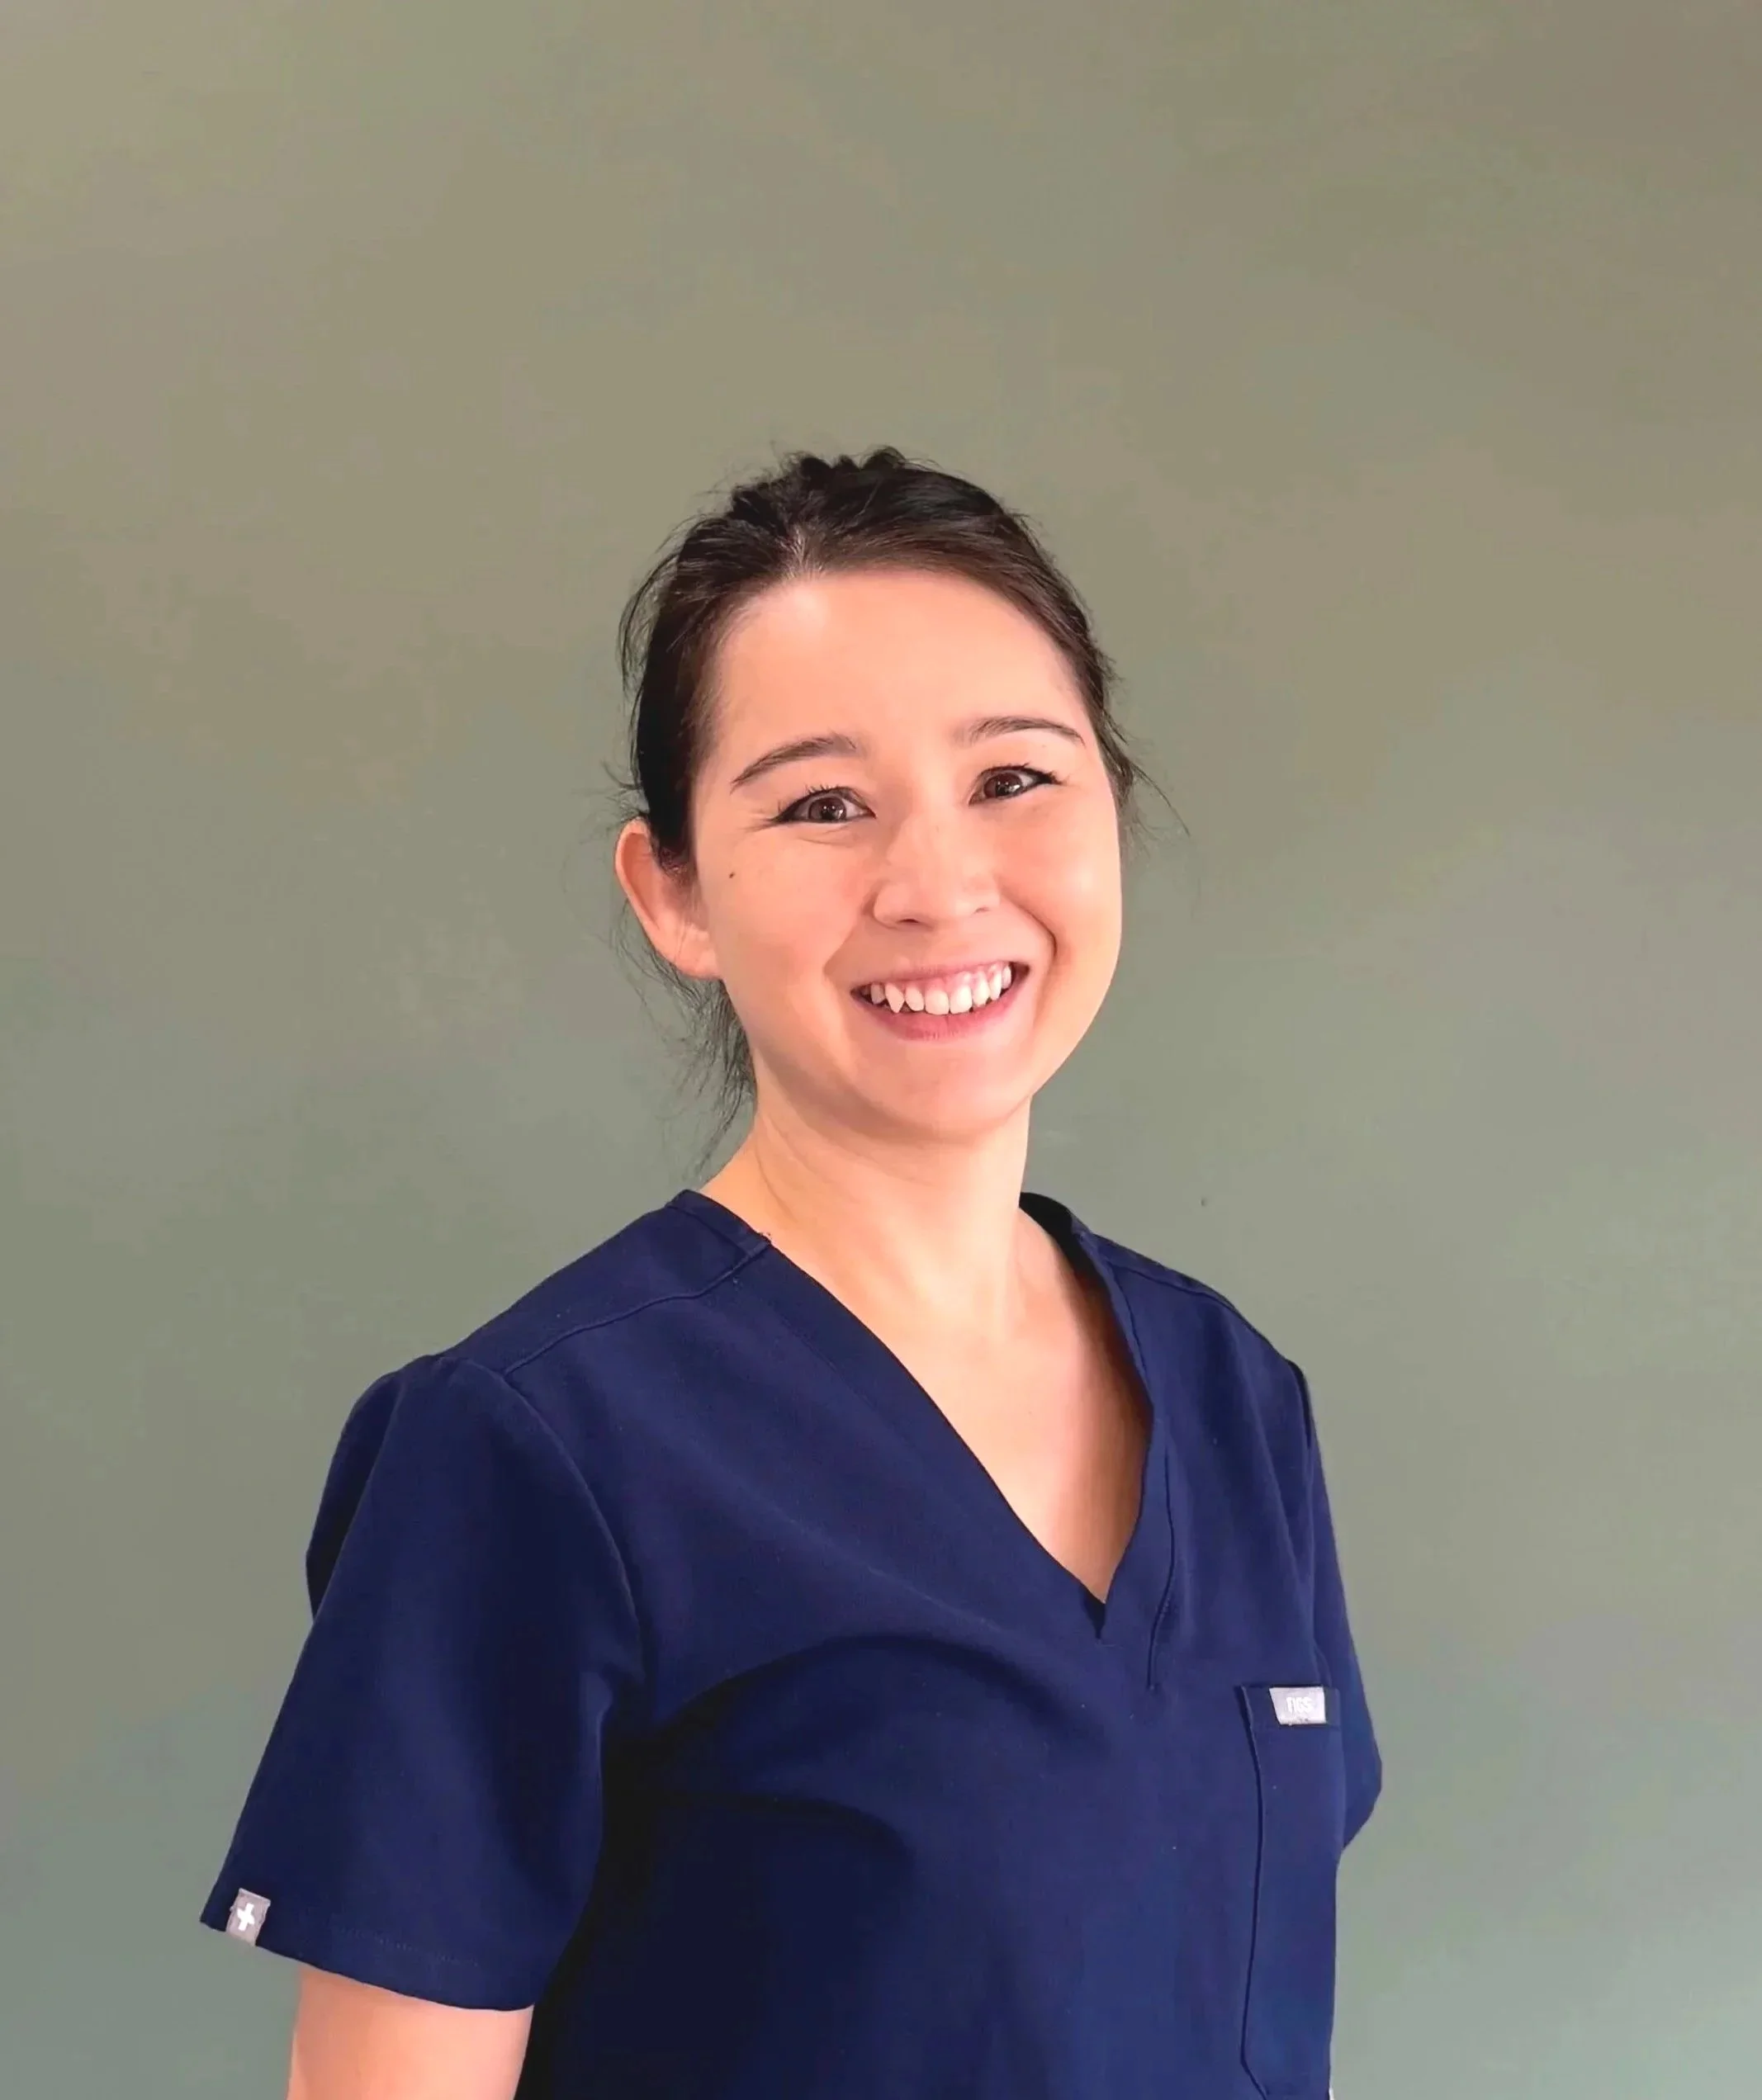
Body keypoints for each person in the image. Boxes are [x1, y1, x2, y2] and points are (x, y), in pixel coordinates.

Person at [199, 447, 1382, 2099]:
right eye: (821, 804)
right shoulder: (536, 1449)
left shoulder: (1232, 1399)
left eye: (1015, 779)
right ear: (671, 892)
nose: (937, 884)